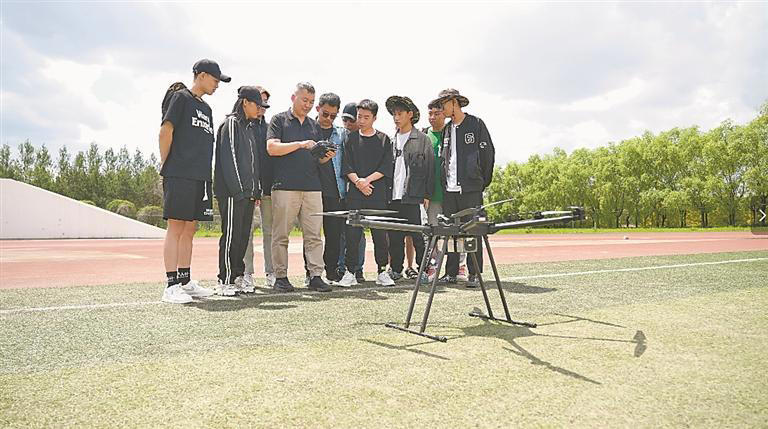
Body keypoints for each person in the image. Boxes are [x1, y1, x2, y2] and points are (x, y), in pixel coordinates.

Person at [158, 59, 229, 304]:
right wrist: (166, 164)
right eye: (215, 79)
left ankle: (185, 280)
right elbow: (165, 131)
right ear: (201, 75)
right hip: (179, 173)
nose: (217, 85)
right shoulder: (181, 98)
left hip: (200, 176)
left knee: (190, 228)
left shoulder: (206, 109)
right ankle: (171, 285)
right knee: (176, 227)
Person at [266, 82, 334, 293]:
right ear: (293, 97)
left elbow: (318, 158)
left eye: (311, 102)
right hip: (285, 187)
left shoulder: (315, 126)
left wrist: (327, 156)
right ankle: (280, 277)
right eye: (305, 100)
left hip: (312, 187)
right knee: (281, 235)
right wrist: (301, 144)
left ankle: (315, 276)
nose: (308, 105)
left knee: (314, 235)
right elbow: (272, 148)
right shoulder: (279, 120)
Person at [432, 89, 495, 288]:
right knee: (451, 232)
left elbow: (488, 155)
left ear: (454, 102)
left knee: (474, 231)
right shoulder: (447, 129)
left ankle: (474, 273)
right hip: (450, 190)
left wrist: (479, 181)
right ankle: (451, 272)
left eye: (444, 104)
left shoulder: (476, 124)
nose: (441, 109)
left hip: (471, 189)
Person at [336, 99, 395, 287]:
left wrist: (366, 181)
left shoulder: (384, 139)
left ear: (374, 118)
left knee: (380, 235)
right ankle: (350, 272)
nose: (361, 120)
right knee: (352, 235)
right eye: (359, 116)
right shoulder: (350, 139)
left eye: (366, 117)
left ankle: (382, 271)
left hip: (377, 194)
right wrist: (358, 183)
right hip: (355, 194)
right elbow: (347, 166)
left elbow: (386, 167)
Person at [214, 86, 266, 295]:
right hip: (232, 194)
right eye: (257, 105)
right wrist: (238, 191)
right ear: (245, 102)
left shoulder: (250, 128)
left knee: (243, 237)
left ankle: (237, 276)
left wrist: (255, 190)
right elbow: (229, 158)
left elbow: (254, 162)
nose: (260, 110)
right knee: (231, 235)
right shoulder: (231, 124)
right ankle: (224, 279)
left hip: (248, 193)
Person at [384, 95, 434, 283]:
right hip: (393, 196)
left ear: (410, 114)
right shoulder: (391, 140)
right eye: (394, 114)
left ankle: (423, 270)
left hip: (414, 196)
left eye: (400, 114)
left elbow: (430, 168)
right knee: (394, 236)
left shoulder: (422, 139)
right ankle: (396, 269)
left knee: (418, 236)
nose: (396, 118)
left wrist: (427, 194)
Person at [422, 100, 468, 281]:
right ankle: (433, 267)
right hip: (432, 195)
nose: (433, 117)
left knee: (457, 231)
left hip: (452, 193)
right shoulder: (424, 135)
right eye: (430, 113)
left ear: (445, 114)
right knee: (434, 233)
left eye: (437, 113)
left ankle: (460, 266)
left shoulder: (452, 132)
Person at [315, 93, 348, 283]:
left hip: (336, 191)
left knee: (334, 235)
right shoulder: (309, 130)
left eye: (333, 116)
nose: (328, 119)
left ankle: (331, 271)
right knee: (312, 235)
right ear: (318, 109)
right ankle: (312, 273)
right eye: (325, 114)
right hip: (312, 191)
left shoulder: (341, 134)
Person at [242, 86, 272, 289]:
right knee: (247, 232)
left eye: (265, 103)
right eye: (259, 101)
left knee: (270, 231)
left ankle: (272, 272)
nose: (262, 106)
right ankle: (247, 273)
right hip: (248, 188)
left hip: (268, 187)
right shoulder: (241, 126)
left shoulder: (270, 128)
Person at [338, 102, 367, 283]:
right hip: (341, 192)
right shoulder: (340, 136)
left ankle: (358, 268)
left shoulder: (364, 139)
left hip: (359, 192)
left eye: (351, 120)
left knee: (358, 232)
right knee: (342, 233)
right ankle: (342, 267)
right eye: (345, 120)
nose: (348, 124)